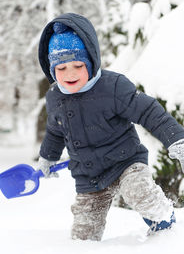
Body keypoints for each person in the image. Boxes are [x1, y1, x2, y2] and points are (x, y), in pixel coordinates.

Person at [37, 13, 184, 240]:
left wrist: (176, 138)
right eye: (61, 68)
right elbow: (55, 131)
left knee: (139, 193)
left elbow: (148, 111)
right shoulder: (55, 98)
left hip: (126, 163)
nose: (70, 74)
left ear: (92, 60)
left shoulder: (113, 87)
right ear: (51, 69)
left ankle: (167, 230)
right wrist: (48, 157)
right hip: (89, 176)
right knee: (82, 237)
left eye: (78, 64)